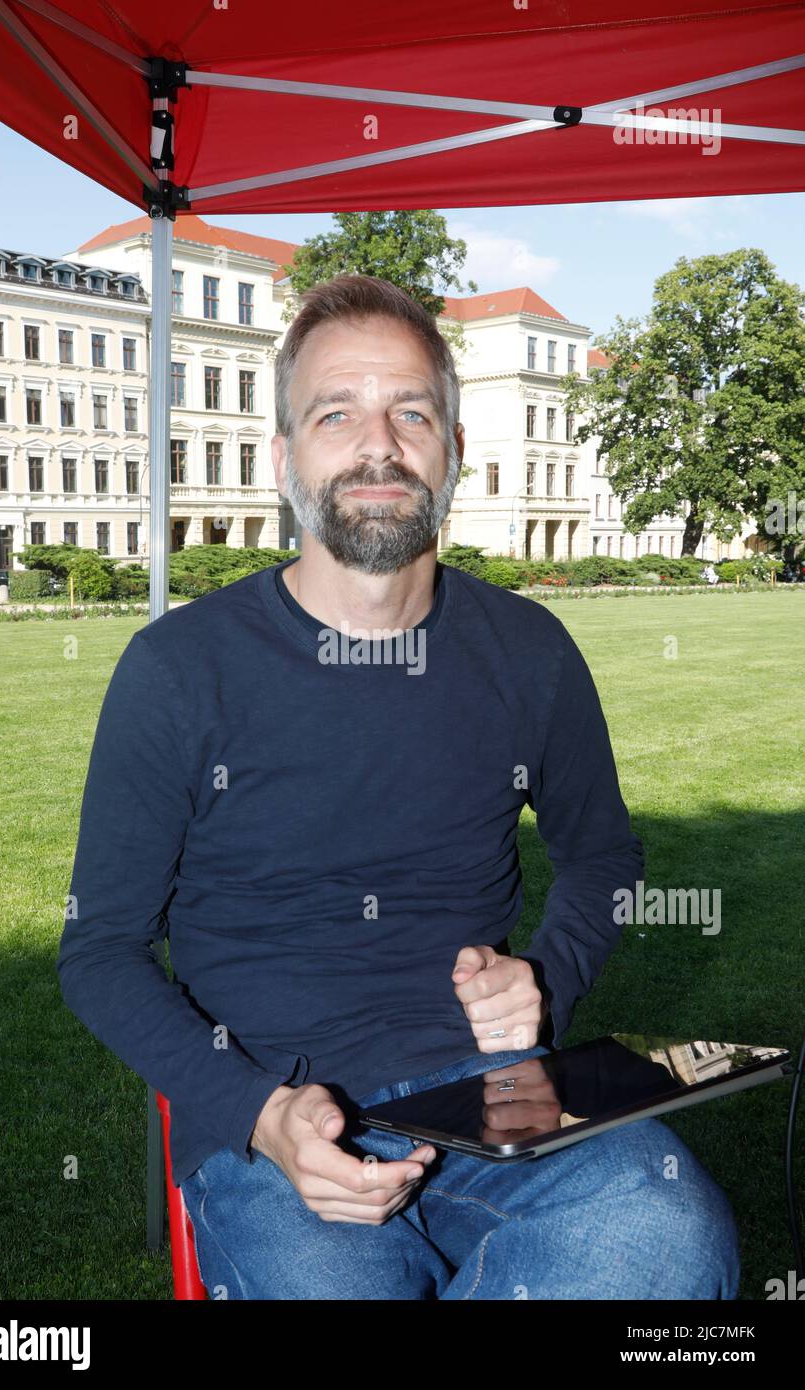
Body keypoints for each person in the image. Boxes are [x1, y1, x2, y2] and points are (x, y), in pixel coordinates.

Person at [57, 273, 739, 1300]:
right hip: (276, 1120)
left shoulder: (527, 652)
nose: (377, 443)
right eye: (337, 413)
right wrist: (253, 1111)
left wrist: (544, 976)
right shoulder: (177, 671)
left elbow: (604, 855)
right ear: (285, 458)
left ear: (452, 451)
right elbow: (99, 948)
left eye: (409, 410)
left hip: (491, 1096)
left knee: (664, 1241)